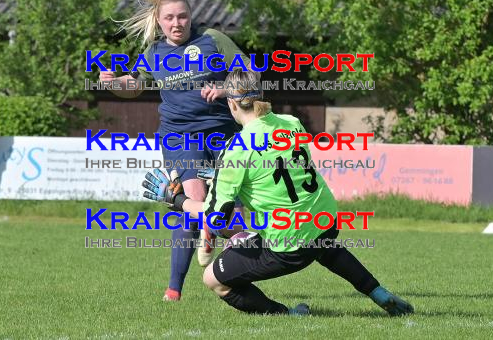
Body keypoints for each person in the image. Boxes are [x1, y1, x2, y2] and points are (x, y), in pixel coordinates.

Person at [142, 69, 414, 316]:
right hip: (324, 221)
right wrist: (225, 177)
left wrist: (177, 199)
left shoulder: (236, 149)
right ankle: (379, 293)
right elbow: (277, 168)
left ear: (231, 103)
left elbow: (216, 217)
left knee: (213, 278)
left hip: (289, 244)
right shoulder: (292, 123)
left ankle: (286, 314)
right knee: (324, 247)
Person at [100, 0, 254, 301]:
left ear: (190, 16)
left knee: (233, 216)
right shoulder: (153, 53)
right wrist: (115, 84)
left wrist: (226, 89)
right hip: (180, 135)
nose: (176, 23)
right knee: (193, 200)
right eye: (169, 17)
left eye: (182, 16)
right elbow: (135, 86)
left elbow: (253, 74)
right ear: (159, 21)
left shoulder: (213, 39)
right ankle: (174, 289)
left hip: (224, 133)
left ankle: (226, 259)